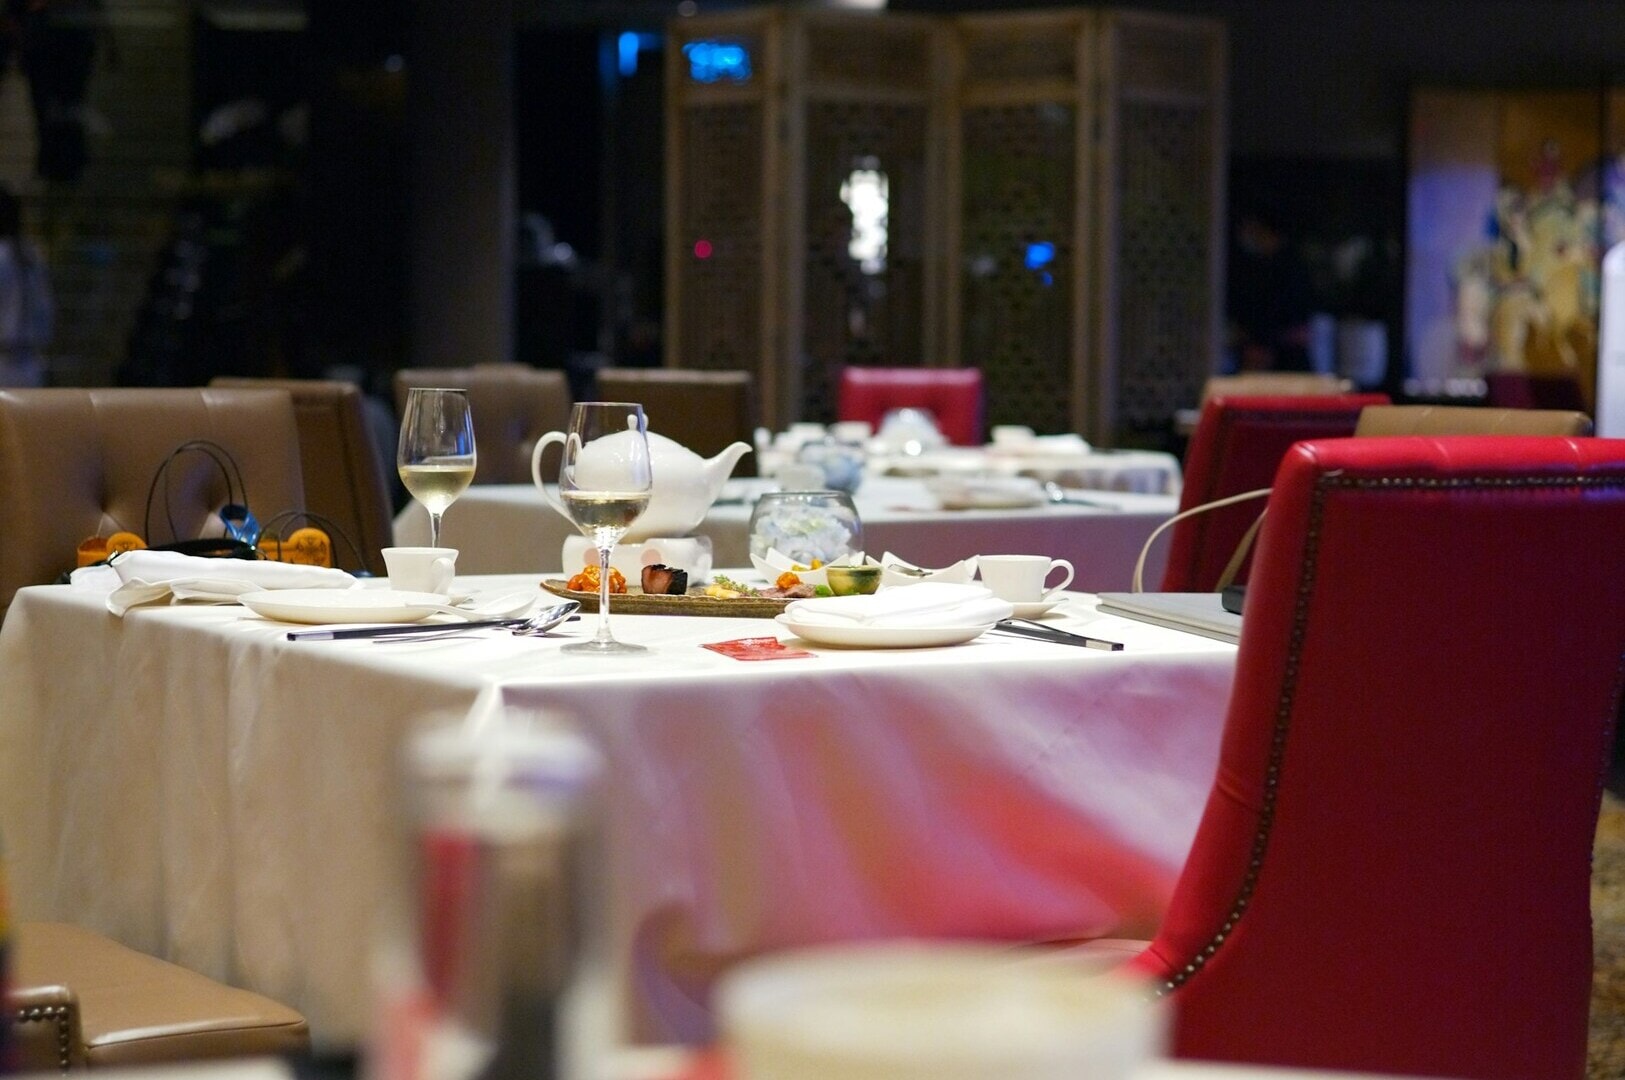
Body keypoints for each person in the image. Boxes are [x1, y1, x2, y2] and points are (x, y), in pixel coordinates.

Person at [1227, 209, 1314, 372]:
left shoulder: (1288, 267)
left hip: (1284, 360)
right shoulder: (1263, 265)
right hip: (1269, 353)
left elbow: (1280, 313)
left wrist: (1262, 341)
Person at [0, 184, 53, 387]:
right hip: (29, 363)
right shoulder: (32, 254)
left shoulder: (12, 255)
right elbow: (46, 310)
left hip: (7, 358)